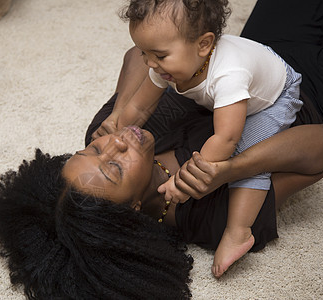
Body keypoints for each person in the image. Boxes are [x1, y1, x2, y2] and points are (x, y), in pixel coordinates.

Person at [0, 0, 323, 298]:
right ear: (132, 210)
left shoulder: (115, 130)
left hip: (251, 61)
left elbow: (136, 55)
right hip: (321, 99)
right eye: (115, 167)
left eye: (92, 151)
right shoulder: (210, 218)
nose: (113, 145)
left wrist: (118, 110)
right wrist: (231, 169)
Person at [91, 0, 306, 278]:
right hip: (242, 84)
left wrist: (186, 180)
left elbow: (226, 140)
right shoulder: (164, 65)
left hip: (277, 96)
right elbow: (141, 107)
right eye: (144, 53)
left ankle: (238, 232)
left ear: (204, 45)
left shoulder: (229, 74)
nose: (150, 63)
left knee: (245, 154)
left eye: (158, 55)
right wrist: (121, 127)